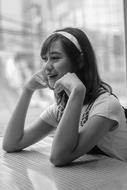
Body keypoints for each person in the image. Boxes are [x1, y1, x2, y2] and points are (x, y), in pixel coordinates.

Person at [3, 27, 127, 166]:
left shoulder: (106, 106)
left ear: (79, 62)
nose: (46, 67)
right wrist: (27, 90)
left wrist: (78, 92)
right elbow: (11, 144)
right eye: (44, 59)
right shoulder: (60, 109)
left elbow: (58, 157)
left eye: (55, 58)